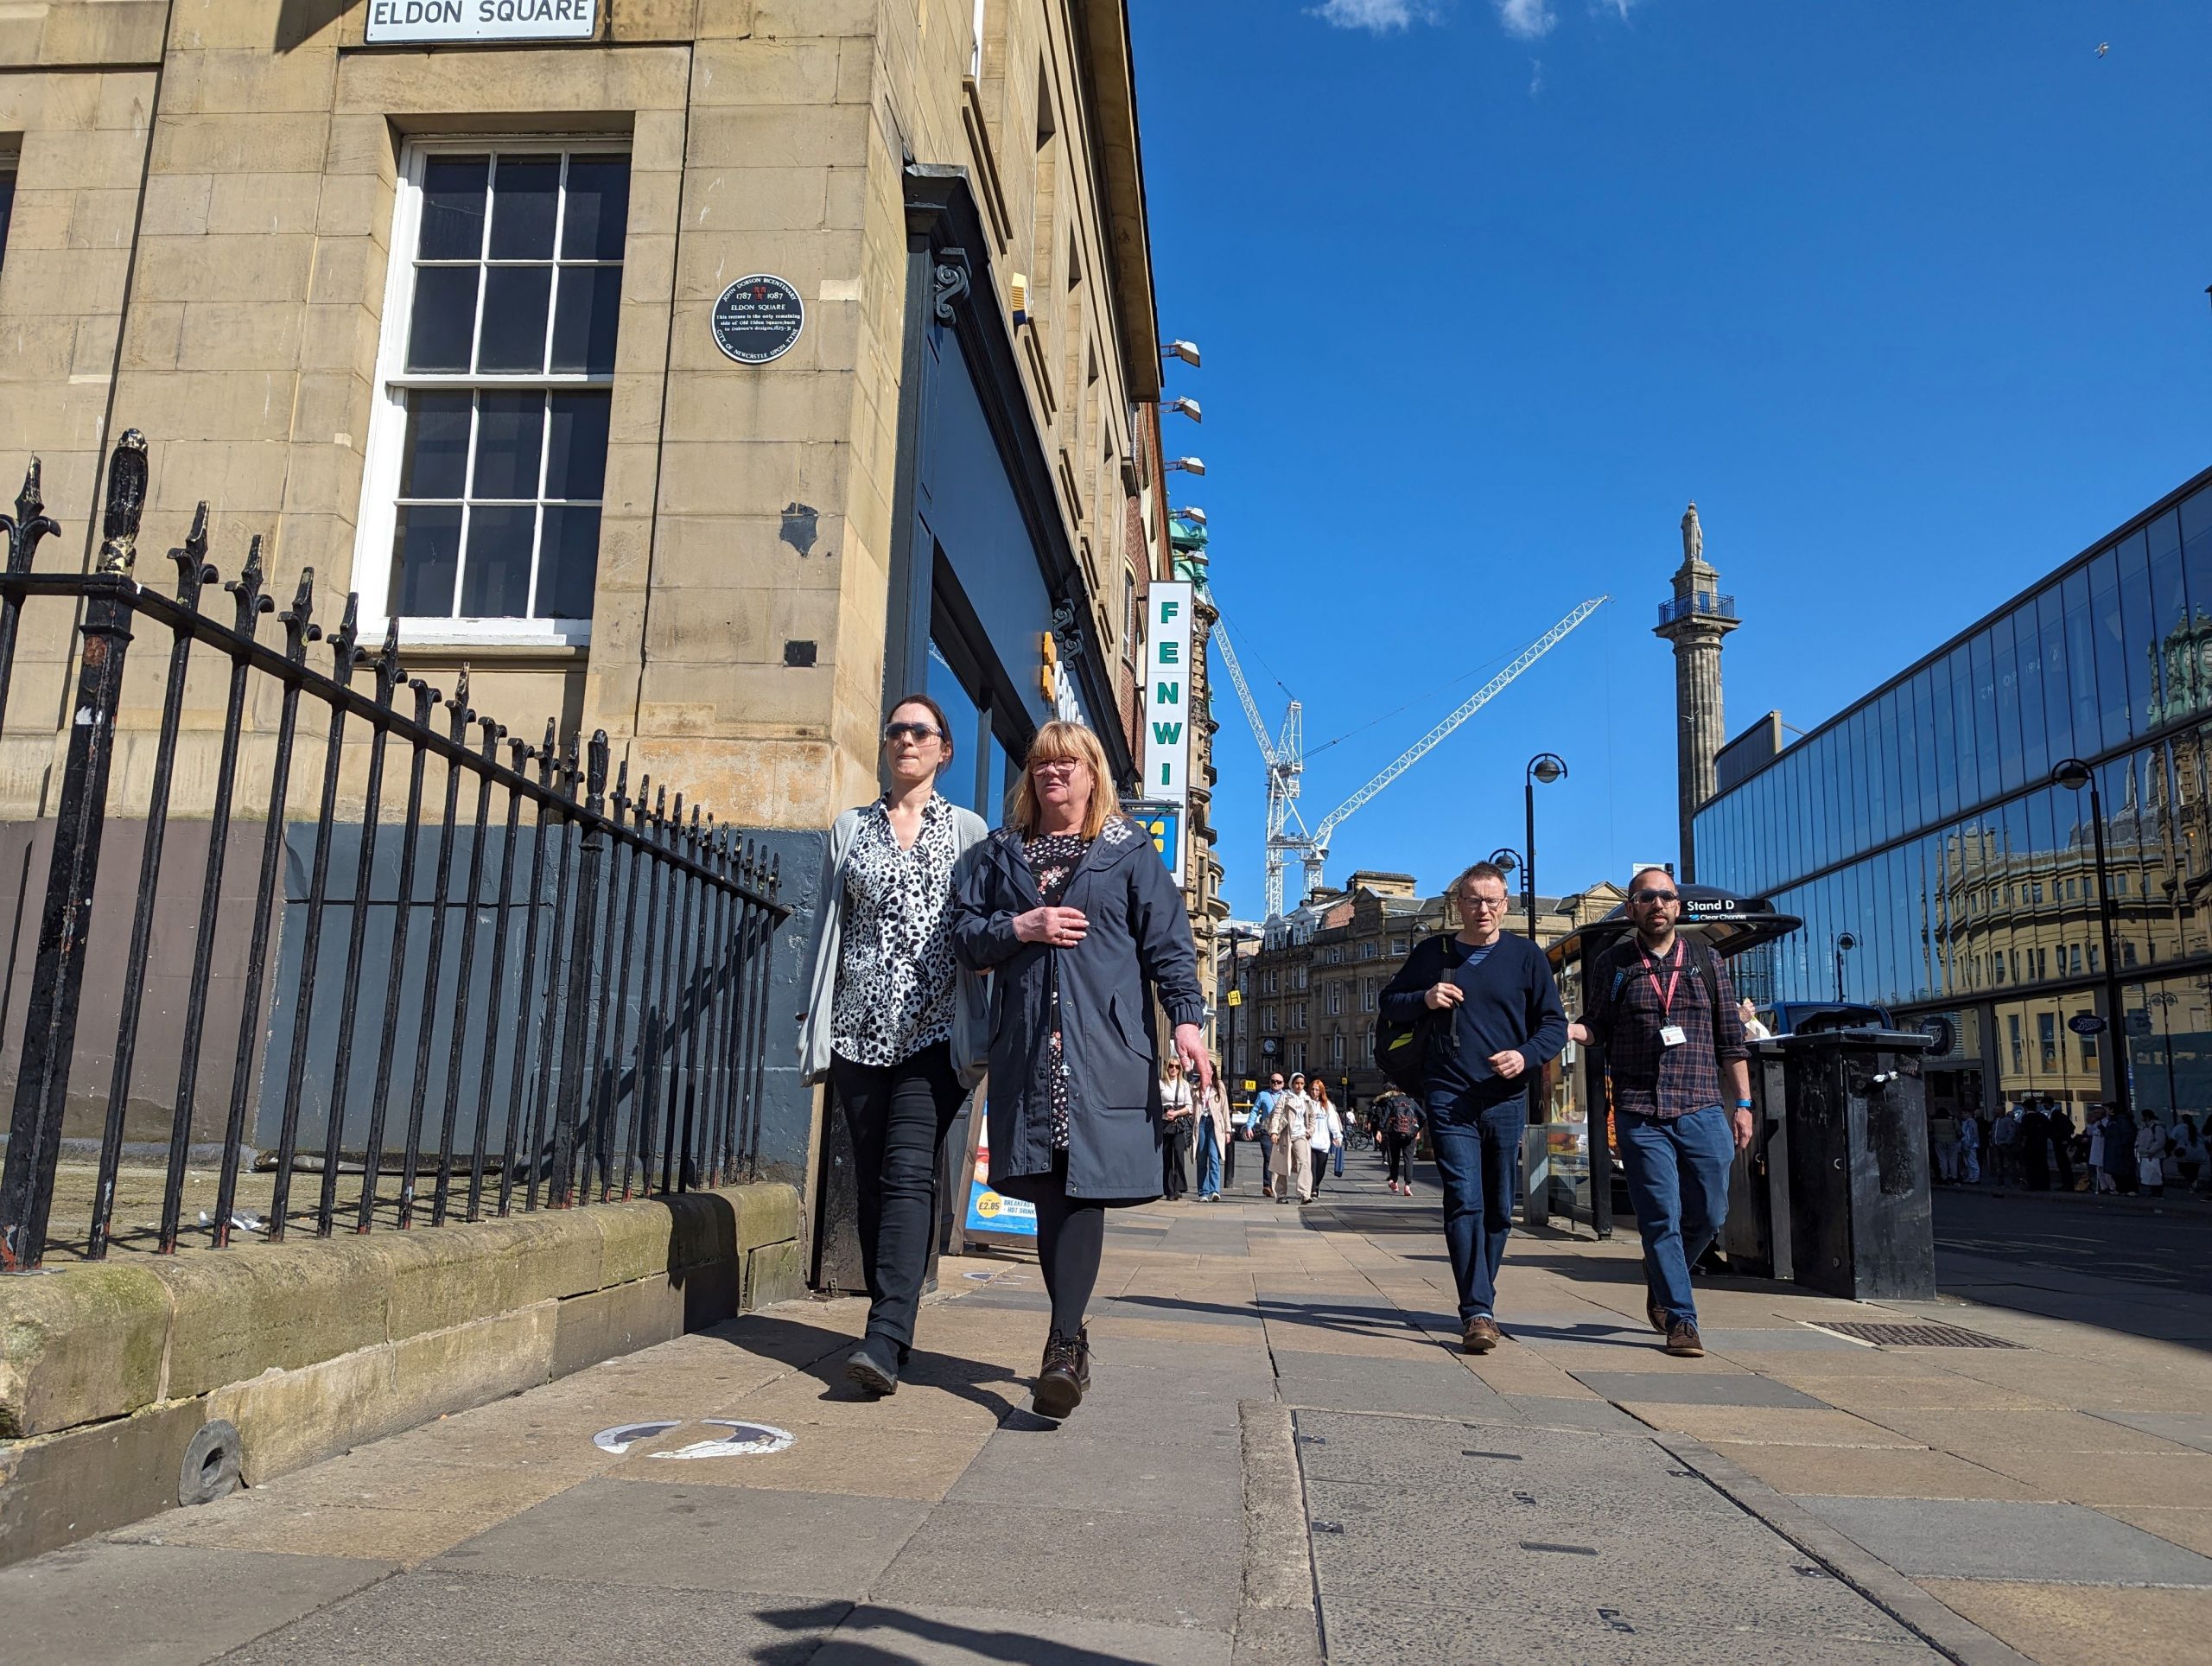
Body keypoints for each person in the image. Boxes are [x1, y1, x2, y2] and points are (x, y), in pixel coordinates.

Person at [951, 720, 1208, 1421]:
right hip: (1028, 1051)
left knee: (1083, 1188)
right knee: (1048, 1191)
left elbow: (1168, 946)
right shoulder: (998, 854)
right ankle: (1071, 1335)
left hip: (1104, 1049)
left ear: (1094, 774)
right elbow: (966, 937)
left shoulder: (1129, 853)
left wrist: (1187, 1020)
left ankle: (1063, 1343)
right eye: (1041, 764)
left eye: (1067, 764)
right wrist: (1020, 929)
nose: (1052, 774)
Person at [798, 695, 991, 1399]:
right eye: (897, 731)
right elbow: (829, 928)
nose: (907, 740)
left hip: (934, 1033)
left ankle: (881, 1335)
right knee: (875, 1179)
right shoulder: (851, 828)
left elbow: (984, 925)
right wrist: (814, 1020)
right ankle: (895, 1325)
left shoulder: (968, 830)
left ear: (944, 750)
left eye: (922, 732)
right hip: (857, 1029)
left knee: (910, 1173)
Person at [1379, 861, 1567, 1353]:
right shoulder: (1432, 954)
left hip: (1506, 1098)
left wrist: (1524, 1056)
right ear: (1457, 905)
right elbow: (1390, 1004)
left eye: (1492, 900)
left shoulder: (1527, 957)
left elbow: (1552, 1025)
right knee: (1465, 1198)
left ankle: (1480, 1294)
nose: (1483, 909)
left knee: (1500, 1209)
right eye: (1473, 900)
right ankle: (1477, 1311)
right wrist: (1426, 996)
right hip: (1449, 1093)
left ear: (1506, 904)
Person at [1569, 868, 1751, 1360]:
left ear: (1677, 907)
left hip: (1701, 1106)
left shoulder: (1708, 961)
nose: (1657, 905)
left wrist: (1744, 1105)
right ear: (1632, 907)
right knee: (1658, 1217)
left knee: (1711, 1214)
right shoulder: (1614, 964)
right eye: (1646, 897)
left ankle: (1662, 1276)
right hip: (1639, 1108)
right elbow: (1597, 1025)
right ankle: (1682, 1318)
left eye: (1665, 897)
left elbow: (1732, 1041)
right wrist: (1566, 1031)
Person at [1268, 1072, 1316, 1204]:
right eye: (1297, 1083)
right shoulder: (1285, 1096)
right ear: (1292, 1084)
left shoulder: (1306, 1099)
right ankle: (1281, 1195)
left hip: (1301, 1134)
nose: (1299, 1086)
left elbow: (1312, 1117)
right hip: (1285, 1134)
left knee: (1304, 1163)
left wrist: (1310, 1131)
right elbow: (1277, 1114)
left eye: (1301, 1083)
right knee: (1282, 1164)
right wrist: (1274, 1132)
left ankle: (1305, 1193)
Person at [1160, 1059, 1195, 1201]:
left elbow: (1189, 1106)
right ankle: (1169, 1189)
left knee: (1178, 1155)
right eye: (1171, 1066)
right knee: (1166, 1156)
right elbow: (1156, 1102)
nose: (1173, 1069)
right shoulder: (1161, 1083)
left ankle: (1179, 1186)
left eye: (1176, 1067)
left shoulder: (1185, 1085)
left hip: (1179, 1122)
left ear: (1180, 1069)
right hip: (1165, 1122)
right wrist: (1165, 1112)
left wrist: (1176, 1113)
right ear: (1167, 1068)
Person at [1378, 1091, 1421, 1195]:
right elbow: (1423, 1117)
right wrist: (1416, 1131)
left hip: (1395, 1135)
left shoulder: (1392, 1101)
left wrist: (1379, 1130)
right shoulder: (1412, 1102)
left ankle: (1395, 1182)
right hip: (1410, 1135)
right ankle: (1407, 1186)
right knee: (1408, 1160)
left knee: (1394, 1159)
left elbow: (1384, 1117)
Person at [1195, 1072, 1230, 1201]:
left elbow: (1225, 1108)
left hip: (1215, 1123)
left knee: (1214, 1157)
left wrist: (1227, 1130)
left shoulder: (1219, 1085)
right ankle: (1203, 1192)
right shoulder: (1196, 1086)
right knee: (1202, 1158)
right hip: (1201, 1123)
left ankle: (1215, 1191)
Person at [1252, 1071, 1285, 1199]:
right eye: (1273, 1081)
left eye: (1279, 1082)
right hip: (1266, 1130)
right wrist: (1250, 1126)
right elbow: (1255, 1111)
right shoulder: (1263, 1095)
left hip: (1282, 1131)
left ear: (1283, 1084)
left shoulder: (1286, 1096)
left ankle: (1278, 1186)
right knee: (1269, 1157)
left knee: (1281, 1160)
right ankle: (1267, 1186)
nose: (1276, 1084)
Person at [1306, 1078, 1337, 1198]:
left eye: (1317, 1090)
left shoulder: (1326, 1105)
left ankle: (1317, 1185)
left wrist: (1337, 1135)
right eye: (1313, 1089)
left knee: (1321, 1169)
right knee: (1312, 1167)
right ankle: (1312, 1189)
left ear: (1321, 1091)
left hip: (1323, 1142)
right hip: (1310, 1141)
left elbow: (1332, 1122)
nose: (1314, 1092)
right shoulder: (1306, 1102)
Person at [2020, 1101, 2051, 1192]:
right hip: (2041, 1145)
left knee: (2031, 1165)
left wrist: (2023, 1144)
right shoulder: (2042, 1117)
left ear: (2026, 1108)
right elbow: (2048, 1129)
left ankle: (2033, 1185)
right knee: (2042, 1164)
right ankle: (2044, 1185)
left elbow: (2025, 1132)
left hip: (2030, 1145)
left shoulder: (2026, 1118)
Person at [2137, 1114, 2169, 1199]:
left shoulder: (2157, 1128)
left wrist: (2151, 1151)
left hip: (2155, 1155)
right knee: (2151, 1173)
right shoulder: (2144, 1128)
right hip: (2147, 1154)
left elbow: (2160, 1142)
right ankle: (2154, 1191)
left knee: (2157, 1173)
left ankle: (2158, 1192)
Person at [2049, 1103, 2077, 1193]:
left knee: (2063, 1163)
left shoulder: (2056, 1115)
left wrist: (2063, 1138)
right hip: (2062, 1142)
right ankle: (2067, 1184)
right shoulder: (2060, 1115)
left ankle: (2067, 1184)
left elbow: (2060, 1128)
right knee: (2064, 1164)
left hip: (2060, 1143)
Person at [1930, 1104, 1961, 1185]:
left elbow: (1930, 1129)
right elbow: (1958, 1129)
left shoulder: (1934, 1119)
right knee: (1953, 1159)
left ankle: (1944, 1178)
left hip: (1939, 1140)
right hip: (1952, 1140)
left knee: (1942, 1159)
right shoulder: (1952, 1118)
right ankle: (1955, 1178)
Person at [1991, 1103, 2019, 1186]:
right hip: (1997, 1144)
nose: (1994, 1111)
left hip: (2004, 1145)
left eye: (1995, 1109)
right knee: (1999, 1163)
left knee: (2010, 1162)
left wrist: (2007, 1142)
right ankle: (2000, 1181)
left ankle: (2015, 1180)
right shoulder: (1996, 1120)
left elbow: (2011, 1132)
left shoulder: (2007, 1120)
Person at [2175, 1116, 2205, 1193]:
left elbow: (2173, 1138)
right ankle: (2194, 1186)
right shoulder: (2194, 1128)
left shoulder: (2179, 1128)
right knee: (2194, 1171)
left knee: (2183, 1170)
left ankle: (2193, 1185)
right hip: (2197, 1153)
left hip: (2185, 1153)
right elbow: (2203, 1138)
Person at [1958, 1107, 1981, 1186]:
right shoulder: (1965, 1122)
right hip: (1965, 1143)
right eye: (1962, 1113)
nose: (1963, 1115)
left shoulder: (1971, 1122)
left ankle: (1976, 1177)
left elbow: (1973, 1134)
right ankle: (1971, 1176)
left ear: (1969, 1114)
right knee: (1967, 1162)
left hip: (1970, 1145)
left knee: (1972, 1161)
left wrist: (1970, 1144)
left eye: (1965, 1113)